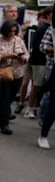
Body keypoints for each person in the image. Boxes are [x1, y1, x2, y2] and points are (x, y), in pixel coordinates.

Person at [0, 19, 29, 135]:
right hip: (3, 73)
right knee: (5, 98)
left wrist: (22, 58)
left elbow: (27, 54)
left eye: (14, 31)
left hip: (17, 73)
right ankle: (4, 124)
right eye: (10, 31)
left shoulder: (19, 41)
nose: (12, 33)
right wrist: (7, 56)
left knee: (11, 97)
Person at [20, 6, 52, 119]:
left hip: (33, 59)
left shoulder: (41, 28)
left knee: (29, 83)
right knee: (35, 86)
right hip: (39, 61)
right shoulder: (47, 29)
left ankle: (23, 104)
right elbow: (42, 47)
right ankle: (29, 108)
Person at [38, 13, 55, 149]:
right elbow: (42, 47)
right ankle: (43, 135)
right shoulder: (52, 30)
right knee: (52, 103)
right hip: (52, 67)